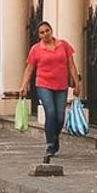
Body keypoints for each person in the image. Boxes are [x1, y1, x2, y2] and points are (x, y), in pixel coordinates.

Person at [20, 20, 82, 157]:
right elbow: (29, 69)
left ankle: (55, 137)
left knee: (60, 117)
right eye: (42, 32)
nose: (45, 34)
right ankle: (50, 144)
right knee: (51, 112)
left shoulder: (63, 45)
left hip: (61, 85)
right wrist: (24, 85)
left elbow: (71, 65)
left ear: (51, 31)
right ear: (39, 35)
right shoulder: (36, 49)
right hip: (43, 84)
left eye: (47, 30)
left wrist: (77, 83)